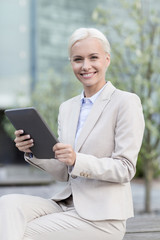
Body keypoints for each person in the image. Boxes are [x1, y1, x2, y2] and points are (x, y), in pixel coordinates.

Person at [0, 28, 145, 240]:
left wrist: (78, 159)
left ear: (107, 59)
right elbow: (63, 172)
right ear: (71, 63)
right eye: (78, 59)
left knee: (23, 232)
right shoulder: (67, 108)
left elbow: (125, 169)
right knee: (7, 204)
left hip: (102, 218)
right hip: (66, 205)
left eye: (93, 57)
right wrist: (33, 151)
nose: (85, 66)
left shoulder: (125, 102)